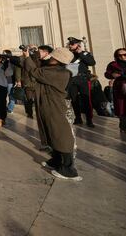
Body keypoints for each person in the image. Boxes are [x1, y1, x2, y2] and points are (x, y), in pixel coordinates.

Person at [22, 47, 82, 181]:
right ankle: (56, 160)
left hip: (56, 106)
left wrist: (27, 57)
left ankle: (68, 169)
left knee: (61, 134)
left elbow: (35, 72)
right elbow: (38, 69)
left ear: (58, 60)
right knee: (51, 132)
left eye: (52, 57)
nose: (50, 57)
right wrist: (34, 55)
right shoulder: (52, 69)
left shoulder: (60, 73)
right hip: (48, 105)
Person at [15, 45, 52, 150]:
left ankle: (49, 143)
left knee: (42, 109)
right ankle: (29, 112)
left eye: (38, 51)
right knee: (28, 100)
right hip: (27, 82)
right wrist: (18, 80)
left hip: (38, 85)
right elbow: (19, 65)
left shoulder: (45, 61)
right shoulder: (24, 58)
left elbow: (36, 68)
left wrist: (35, 51)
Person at [66, 37, 96, 127]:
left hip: (83, 79)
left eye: (72, 44)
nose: (70, 45)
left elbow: (92, 63)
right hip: (72, 80)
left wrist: (81, 54)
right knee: (74, 100)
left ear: (77, 45)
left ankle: (89, 119)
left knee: (86, 100)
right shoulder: (68, 54)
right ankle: (78, 118)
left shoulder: (85, 53)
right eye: (70, 44)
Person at [105, 48, 126, 133]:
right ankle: (124, 127)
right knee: (122, 108)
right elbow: (107, 74)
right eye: (120, 55)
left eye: (125, 54)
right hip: (120, 89)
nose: (123, 57)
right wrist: (112, 75)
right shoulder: (113, 64)